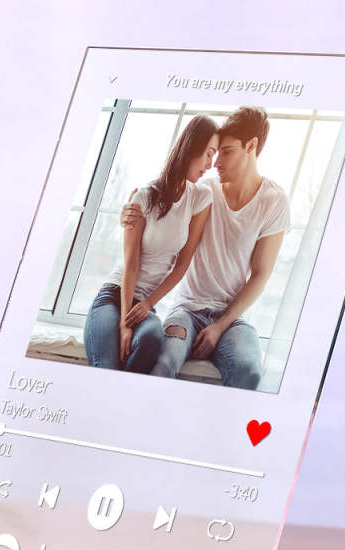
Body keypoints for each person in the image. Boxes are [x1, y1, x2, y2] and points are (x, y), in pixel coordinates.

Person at [122, 106, 289, 390]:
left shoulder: (274, 201)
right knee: (164, 363)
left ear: (251, 146)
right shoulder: (203, 190)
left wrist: (220, 326)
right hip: (186, 310)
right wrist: (129, 211)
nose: (216, 162)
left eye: (227, 152)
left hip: (231, 319)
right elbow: (156, 198)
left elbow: (261, 275)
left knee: (249, 372)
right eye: (215, 153)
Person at [83, 115, 219, 373]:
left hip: (146, 305)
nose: (210, 165)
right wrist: (125, 323)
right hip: (115, 296)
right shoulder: (144, 196)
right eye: (208, 154)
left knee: (151, 340)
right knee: (106, 367)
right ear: (192, 146)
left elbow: (182, 265)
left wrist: (147, 304)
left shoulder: (200, 197)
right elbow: (131, 264)